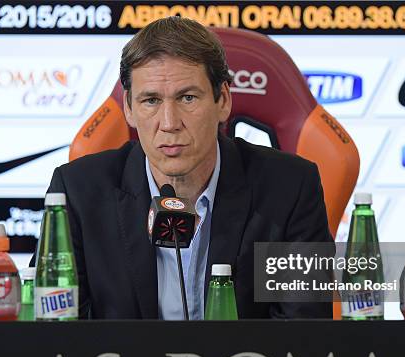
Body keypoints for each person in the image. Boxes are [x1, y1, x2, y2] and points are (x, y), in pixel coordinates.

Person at [41, 16, 333, 319]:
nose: (169, 123)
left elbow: (303, 332)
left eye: (188, 97)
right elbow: (59, 334)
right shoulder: (76, 192)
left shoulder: (290, 188)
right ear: (129, 108)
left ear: (223, 101)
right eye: (151, 101)